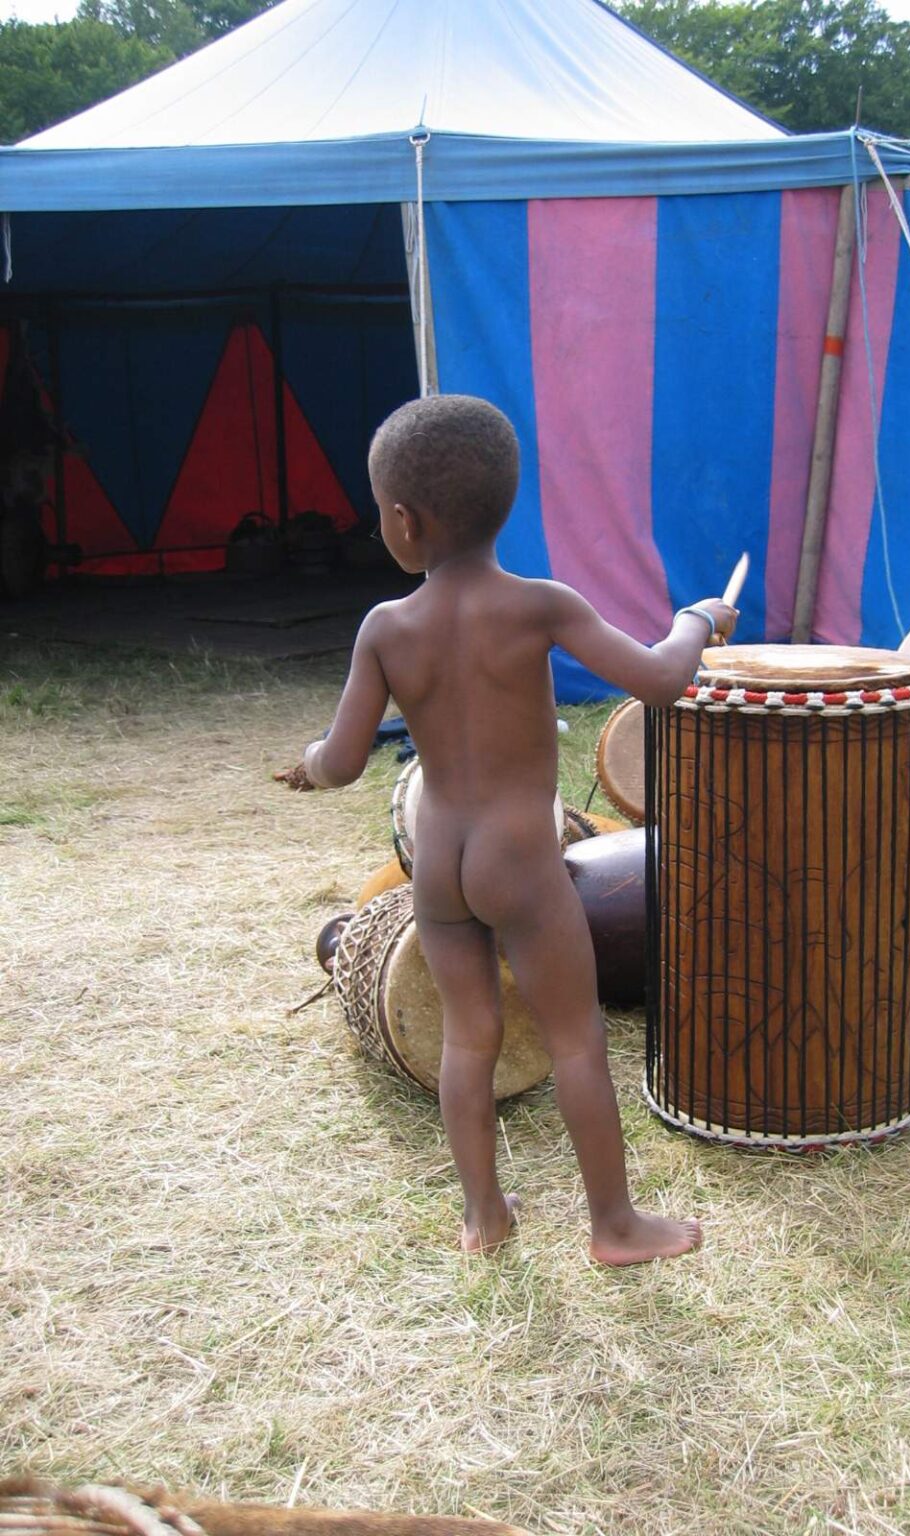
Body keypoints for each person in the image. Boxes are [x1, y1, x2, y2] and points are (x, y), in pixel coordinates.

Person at [280, 395, 737, 1265]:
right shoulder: (539, 606)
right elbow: (659, 680)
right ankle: (614, 1227)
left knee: (467, 1036)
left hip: (438, 861)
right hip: (519, 860)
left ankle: (485, 1216)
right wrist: (697, 621)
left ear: (404, 521)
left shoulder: (386, 627)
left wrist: (308, 762)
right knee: (575, 1037)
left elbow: (339, 762)